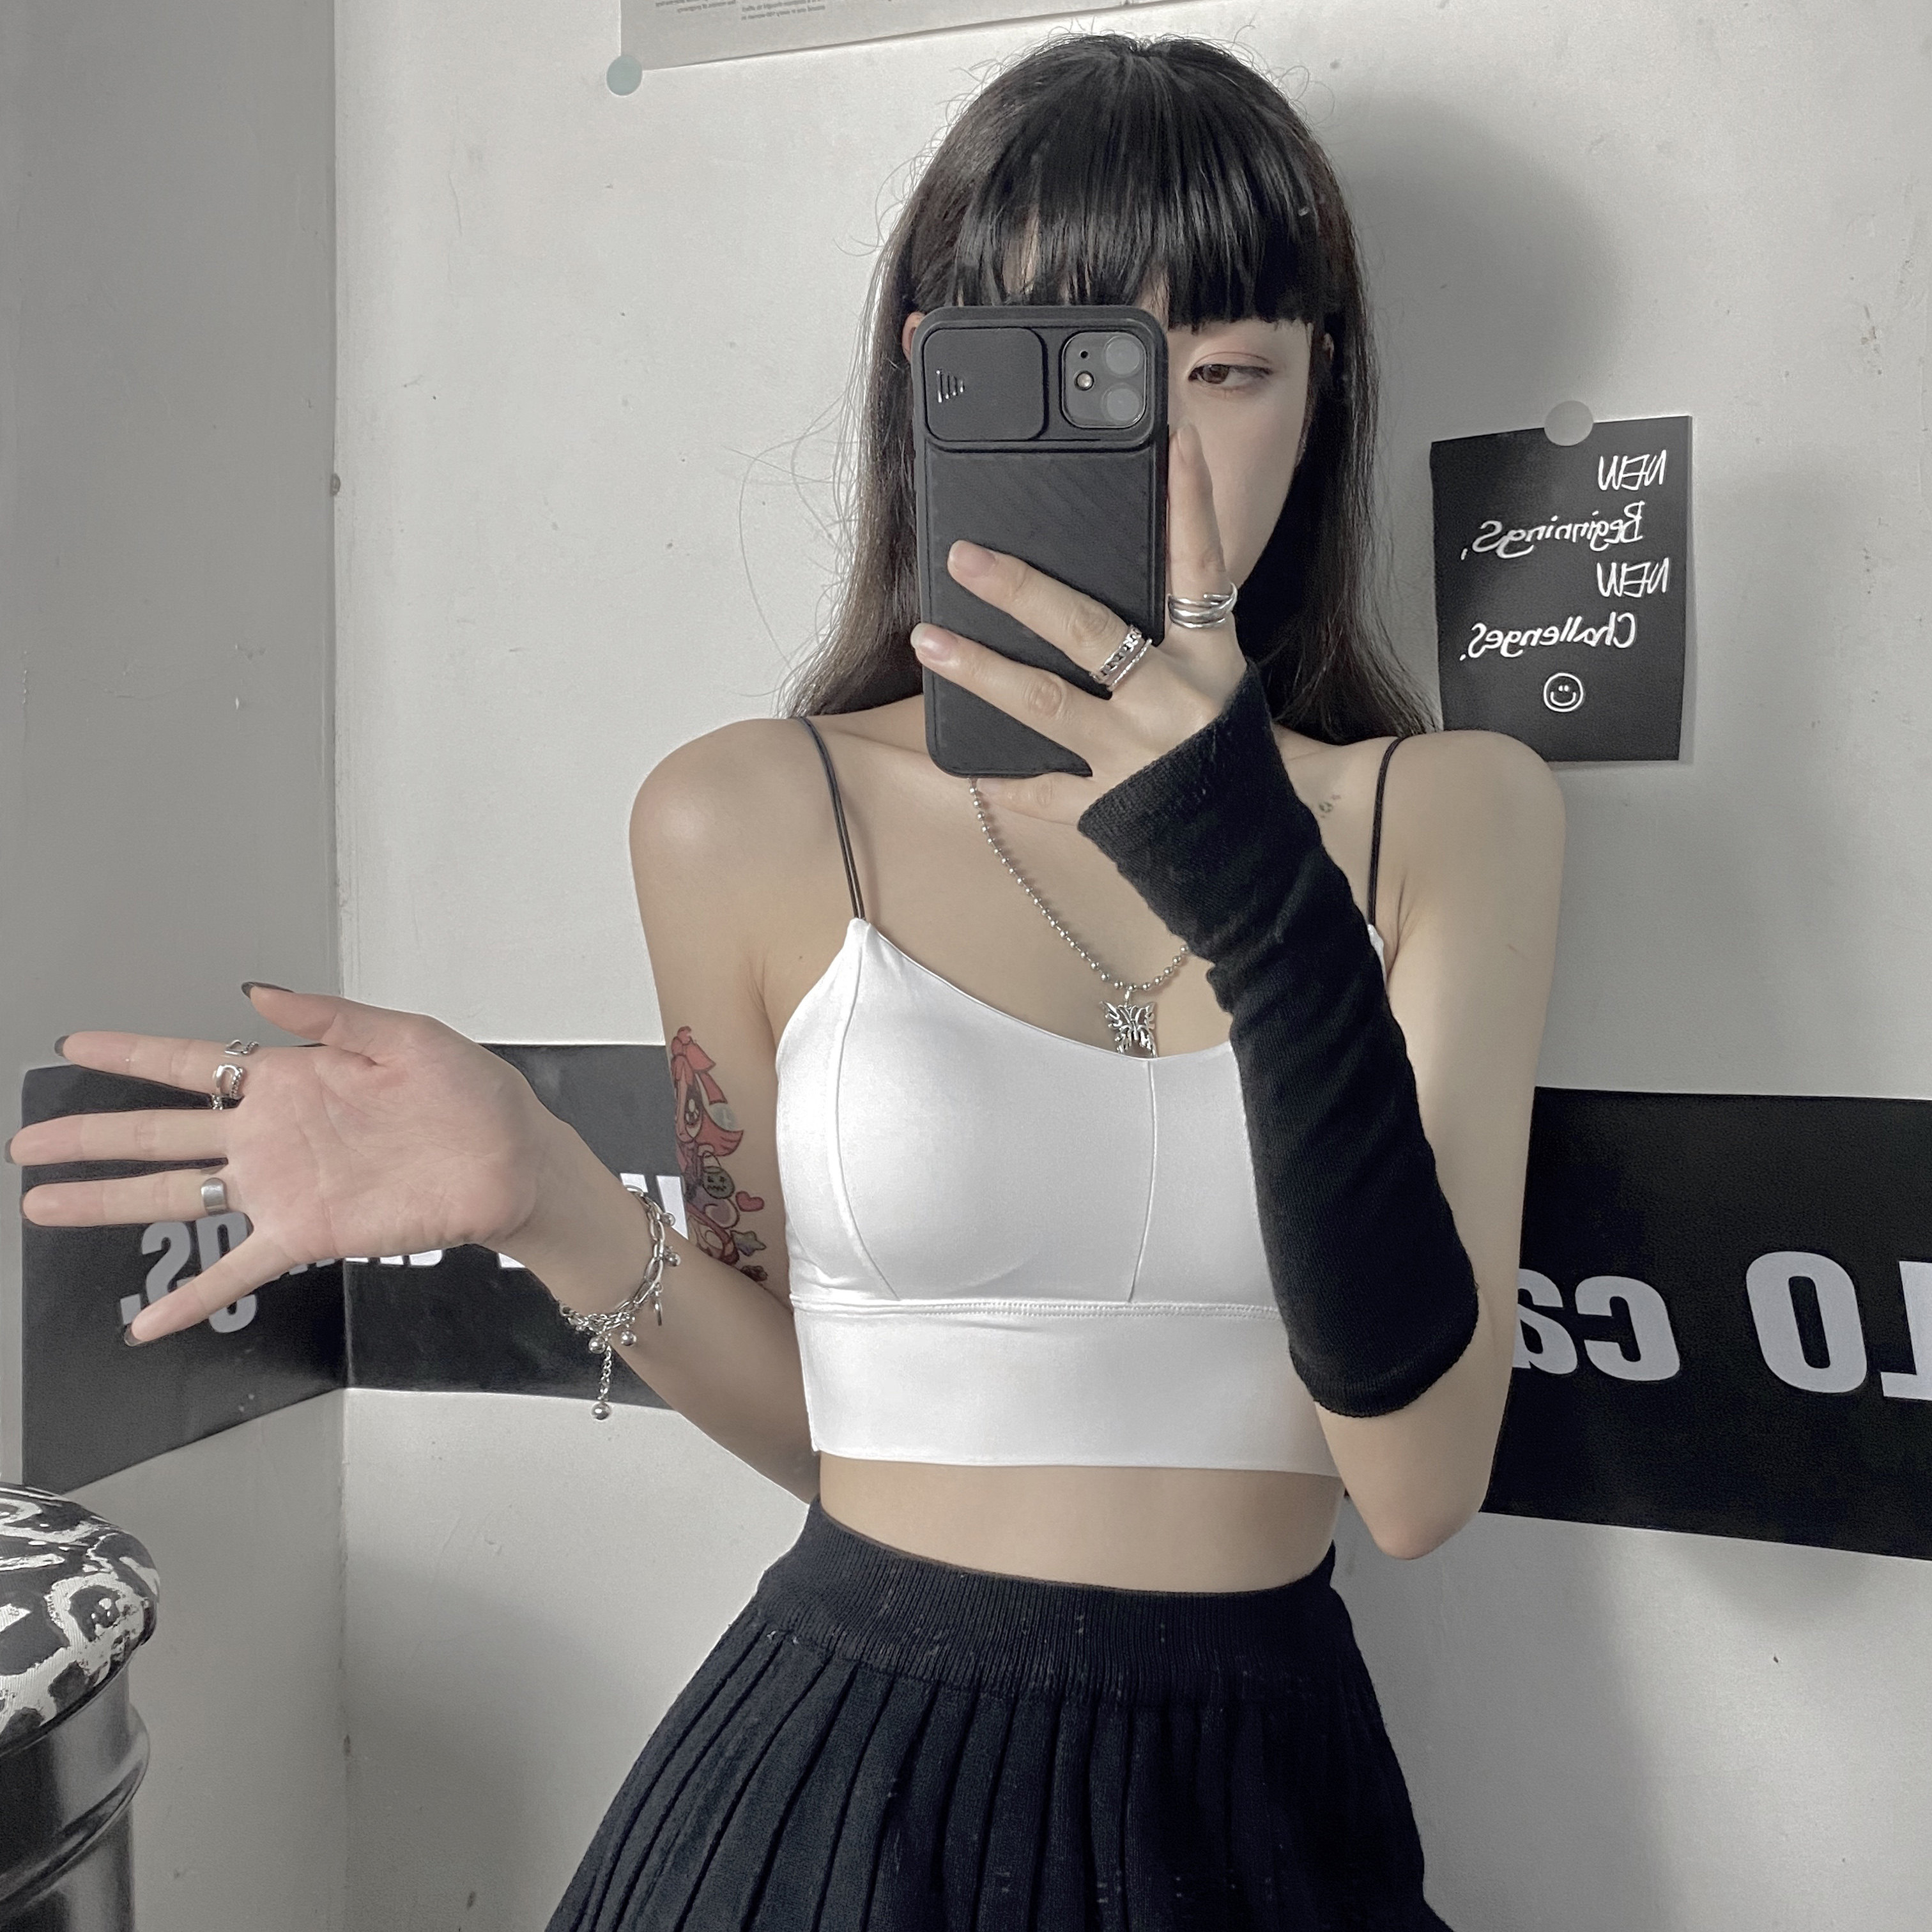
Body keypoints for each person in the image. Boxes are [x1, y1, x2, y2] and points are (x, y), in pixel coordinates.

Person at [10, 31, 1564, 1930]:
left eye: (1231, 373)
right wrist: (542, 1192)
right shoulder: (746, 815)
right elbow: (834, 1438)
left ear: (1325, 396)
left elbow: (1414, 1484)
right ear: (936, 388)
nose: (1162, 457)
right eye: (1080, 380)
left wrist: (1254, 874)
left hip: (1259, 1805)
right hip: (836, 1794)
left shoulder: (1450, 819)